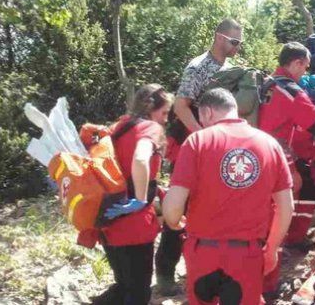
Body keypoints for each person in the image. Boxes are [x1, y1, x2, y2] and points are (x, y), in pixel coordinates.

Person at [162, 88, 293, 305]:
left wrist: (174, 221)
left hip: (203, 252)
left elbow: (173, 207)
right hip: (247, 255)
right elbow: (286, 207)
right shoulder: (270, 144)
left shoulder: (197, 142)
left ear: (208, 113)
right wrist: (271, 248)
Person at [160, 18, 244, 292]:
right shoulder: (198, 67)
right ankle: (165, 273)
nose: (237, 47)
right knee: (179, 205)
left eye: (239, 42)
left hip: (224, 150)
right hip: (193, 146)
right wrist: (202, 137)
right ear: (219, 37)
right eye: (234, 41)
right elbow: (181, 106)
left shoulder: (233, 70)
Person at [93, 84, 173, 305]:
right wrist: (139, 198)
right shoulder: (150, 128)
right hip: (134, 225)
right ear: (150, 108)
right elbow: (140, 158)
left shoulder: (118, 126)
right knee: (138, 293)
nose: (166, 119)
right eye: (164, 112)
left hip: (108, 221)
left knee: (123, 286)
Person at [258, 42, 315, 246]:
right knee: (298, 188)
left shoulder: (267, 83)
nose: (304, 72)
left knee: (300, 188)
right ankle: (278, 240)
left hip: (261, 148)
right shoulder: (290, 90)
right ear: (296, 63)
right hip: (277, 151)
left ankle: (280, 237)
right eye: (304, 67)